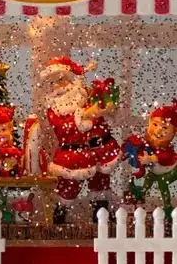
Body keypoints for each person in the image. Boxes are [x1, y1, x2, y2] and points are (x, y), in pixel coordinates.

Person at [41, 56, 120, 218]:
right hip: (73, 156)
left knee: (101, 186)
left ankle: (101, 215)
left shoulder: (86, 95)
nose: (57, 85)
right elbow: (65, 129)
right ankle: (60, 217)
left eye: (61, 79)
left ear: (72, 79)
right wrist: (86, 114)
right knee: (68, 188)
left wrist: (106, 110)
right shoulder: (54, 109)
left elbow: (102, 119)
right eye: (52, 82)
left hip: (99, 151)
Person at [123, 99, 177, 216]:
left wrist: (151, 159)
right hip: (156, 171)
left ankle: (167, 206)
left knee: (162, 183)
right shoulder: (150, 144)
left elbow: (165, 156)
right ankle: (141, 193)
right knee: (149, 178)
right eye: (155, 124)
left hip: (171, 171)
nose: (158, 130)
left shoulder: (166, 148)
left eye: (165, 127)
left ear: (175, 132)